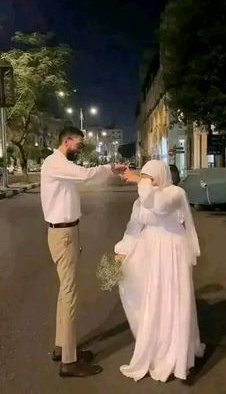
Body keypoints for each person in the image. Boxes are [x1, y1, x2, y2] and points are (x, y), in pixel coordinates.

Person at [40, 126, 125, 378]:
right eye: (79, 144)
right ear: (66, 141)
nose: (80, 148)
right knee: (69, 294)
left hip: (66, 232)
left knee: (64, 293)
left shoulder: (58, 164)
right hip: (63, 234)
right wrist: (110, 167)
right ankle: (69, 361)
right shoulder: (56, 163)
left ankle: (61, 347)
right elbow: (87, 175)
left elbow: (83, 177)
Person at [115, 160, 205, 382]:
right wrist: (122, 250)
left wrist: (139, 179)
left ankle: (176, 353)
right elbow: (134, 226)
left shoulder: (175, 193)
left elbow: (160, 206)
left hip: (172, 252)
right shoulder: (142, 200)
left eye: (150, 177)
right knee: (151, 299)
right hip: (148, 253)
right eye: (145, 177)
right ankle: (155, 348)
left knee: (174, 299)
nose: (146, 181)